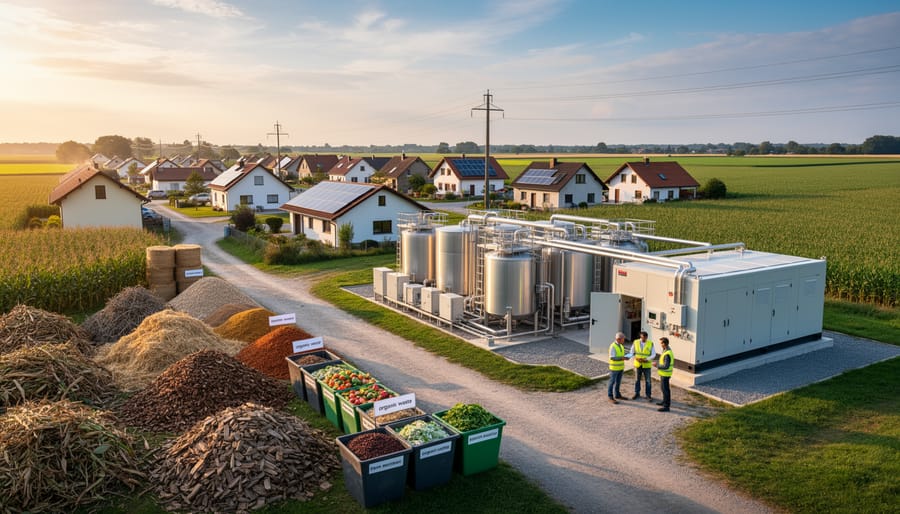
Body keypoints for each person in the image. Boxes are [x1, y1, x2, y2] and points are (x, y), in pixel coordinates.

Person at [631, 330, 655, 401]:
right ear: (640, 337)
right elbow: (631, 352)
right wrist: (635, 358)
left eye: (644, 338)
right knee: (637, 380)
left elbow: (653, 354)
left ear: (647, 337)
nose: (643, 339)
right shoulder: (636, 342)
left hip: (646, 365)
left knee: (648, 381)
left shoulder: (650, 343)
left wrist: (646, 359)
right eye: (642, 338)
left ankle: (648, 395)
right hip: (638, 364)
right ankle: (637, 393)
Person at [653, 337, 674, 412]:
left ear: (664, 344)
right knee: (663, 388)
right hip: (663, 374)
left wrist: (657, 365)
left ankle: (666, 406)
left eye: (661, 343)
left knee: (665, 390)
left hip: (665, 374)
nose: (660, 344)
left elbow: (666, 366)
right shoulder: (665, 350)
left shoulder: (667, 353)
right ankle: (664, 402)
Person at [607, 332, 627, 404]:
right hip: (614, 369)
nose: (624, 340)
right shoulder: (613, 346)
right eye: (623, 339)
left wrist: (625, 357)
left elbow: (621, 355)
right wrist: (622, 358)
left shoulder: (621, 346)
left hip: (620, 368)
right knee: (612, 382)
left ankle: (617, 395)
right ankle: (610, 396)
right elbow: (612, 357)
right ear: (618, 339)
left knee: (618, 382)